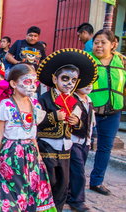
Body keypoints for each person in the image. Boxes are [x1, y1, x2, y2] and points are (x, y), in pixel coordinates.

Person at [0, 64, 56, 212]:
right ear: (13, 84)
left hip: (29, 155)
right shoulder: (6, 105)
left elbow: (33, 133)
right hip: (10, 154)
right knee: (6, 191)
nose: (32, 86)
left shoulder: (35, 105)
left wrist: (38, 155)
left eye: (34, 82)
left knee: (28, 188)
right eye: (27, 81)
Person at [37, 48, 97, 211]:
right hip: (46, 147)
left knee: (63, 183)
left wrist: (76, 122)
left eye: (73, 80)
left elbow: (82, 124)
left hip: (65, 148)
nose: (69, 83)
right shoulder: (44, 99)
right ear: (55, 79)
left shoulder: (75, 102)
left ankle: (57, 208)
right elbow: (35, 122)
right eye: (65, 78)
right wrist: (53, 117)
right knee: (49, 180)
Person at [87, 29, 126, 196]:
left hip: (113, 112)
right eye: (96, 43)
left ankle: (97, 181)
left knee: (105, 148)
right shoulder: (86, 60)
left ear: (113, 45)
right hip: (90, 112)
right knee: (82, 147)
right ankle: (74, 182)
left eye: (103, 42)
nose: (99, 46)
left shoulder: (122, 61)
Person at [66, 85, 95, 212]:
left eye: (91, 83)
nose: (89, 86)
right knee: (79, 171)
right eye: (85, 83)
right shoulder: (72, 100)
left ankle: (69, 194)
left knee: (78, 168)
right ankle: (77, 200)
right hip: (74, 140)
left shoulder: (89, 100)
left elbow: (91, 121)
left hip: (85, 141)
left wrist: (91, 137)